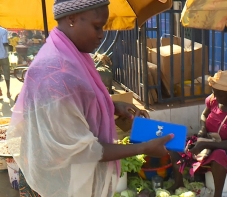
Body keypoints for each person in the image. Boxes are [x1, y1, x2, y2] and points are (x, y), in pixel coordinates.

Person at [6, 1, 173, 196]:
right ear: (72, 19)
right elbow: (83, 150)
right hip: (60, 182)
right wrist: (144, 147)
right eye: (97, 26)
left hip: (70, 175)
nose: (102, 34)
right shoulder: (56, 72)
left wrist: (112, 106)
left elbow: (76, 104)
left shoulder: (71, 56)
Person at [169, 70, 227, 197]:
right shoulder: (214, 99)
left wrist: (205, 145)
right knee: (175, 143)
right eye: (214, 93)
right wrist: (203, 128)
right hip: (208, 138)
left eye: (220, 95)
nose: (216, 98)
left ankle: (218, 194)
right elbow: (204, 115)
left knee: (218, 156)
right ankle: (178, 183)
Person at [0, 26, 11, 98]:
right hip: (3, 55)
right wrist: (9, 50)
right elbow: (5, 43)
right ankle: (8, 91)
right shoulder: (3, 31)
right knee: (6, 73)